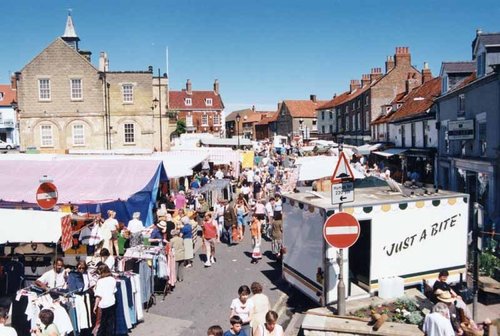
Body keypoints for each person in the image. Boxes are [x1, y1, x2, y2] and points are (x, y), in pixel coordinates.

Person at [93, 264, 117, 336]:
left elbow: (98, 296)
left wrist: (95, 306)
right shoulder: (113, 279)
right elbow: (114, 291)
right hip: (112, 303)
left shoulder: (100, 281)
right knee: (110, 323)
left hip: (103, 305)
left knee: (102, 324)